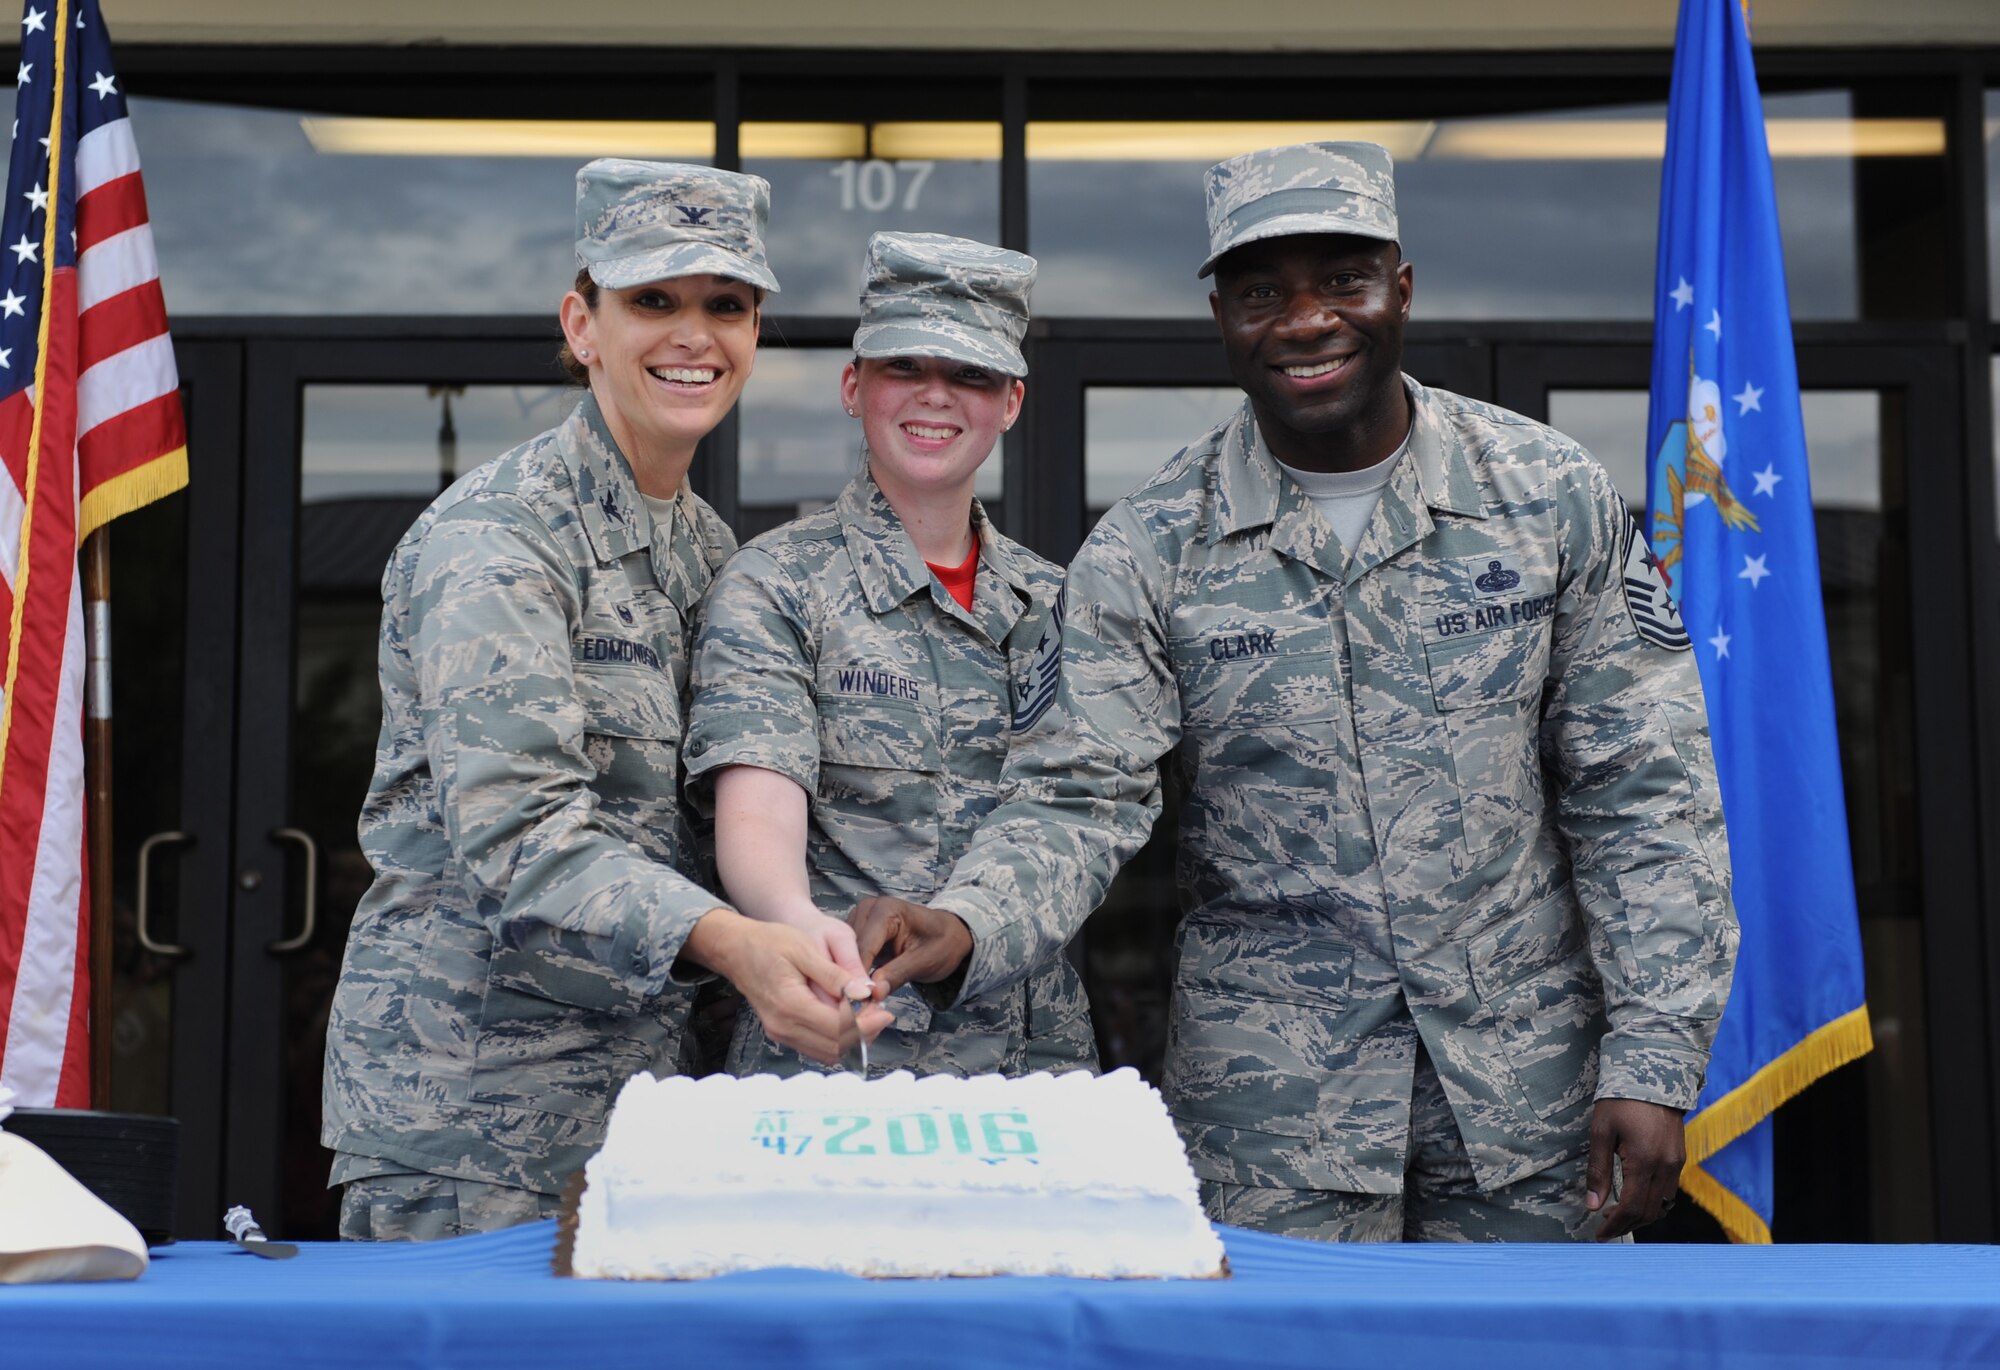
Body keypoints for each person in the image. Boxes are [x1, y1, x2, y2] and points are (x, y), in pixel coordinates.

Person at [850, 143, 1738, 1242]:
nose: (1306, 319)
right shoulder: (1150, 547)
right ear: (1220, 314)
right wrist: (966, 918)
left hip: (1531, 1103)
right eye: (1263, 291)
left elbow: (1643, 793)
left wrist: (1652, 1060)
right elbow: (1076, 794)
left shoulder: (1546, 497)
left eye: (1342, 280)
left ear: (1399, 290)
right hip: (1274, 1125)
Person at [321, 160, 888, 1242]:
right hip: (477, 1122)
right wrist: (735, 942)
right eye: (653, 301)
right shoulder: (500, 540)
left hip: (641, 1111)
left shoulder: (707, 549)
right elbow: (522, 833)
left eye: (726, 305)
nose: (694, 335)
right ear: (581, 324)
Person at [684, 232, 1097, 1079]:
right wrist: (798, 927)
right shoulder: (777, 585)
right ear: (853, 386)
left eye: (970, 375)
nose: (935, 397)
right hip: (831, 1059)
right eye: (904, 367)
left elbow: (1080, 817)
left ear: (1011, 401)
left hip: (1031, 1076)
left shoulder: (1061, 606)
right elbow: (758, 816)